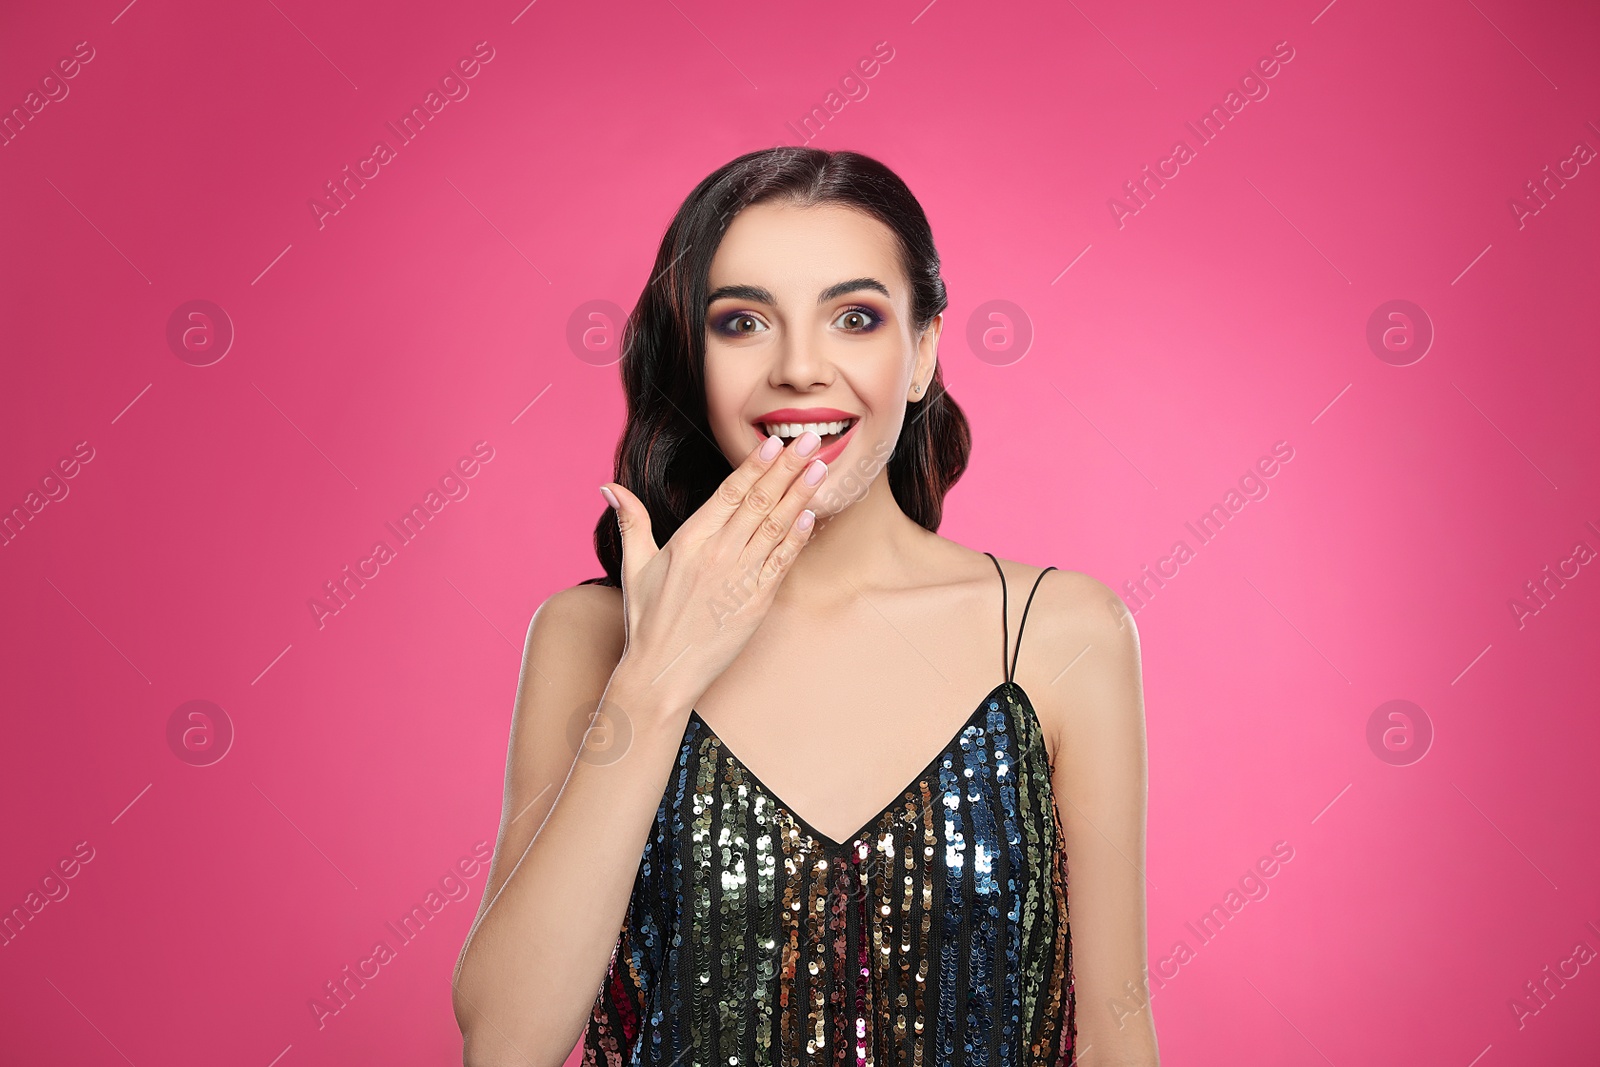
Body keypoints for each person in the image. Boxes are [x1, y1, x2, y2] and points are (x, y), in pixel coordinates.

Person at [453, 147, 1159, 1066]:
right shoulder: (589, 636)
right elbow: (505, 1045)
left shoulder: (1060, 635)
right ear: (692, 355)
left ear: (923, 352)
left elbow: (1115, 1032)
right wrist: (658, 675)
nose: (798, 368)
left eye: (855, 317)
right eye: (742, 321)